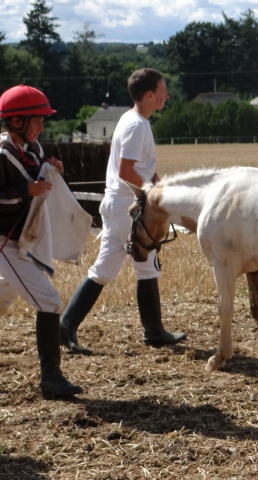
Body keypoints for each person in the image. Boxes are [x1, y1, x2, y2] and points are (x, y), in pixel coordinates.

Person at [60, 68, 186, 355]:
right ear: (149, 95)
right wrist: (149, 197)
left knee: (104, 268)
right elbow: (126, 170)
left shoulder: (135, 121)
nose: (166, 95)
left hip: (118, 204)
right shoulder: (136, 125)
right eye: (163, 91)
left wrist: (159, 183)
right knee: (146, 263)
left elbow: (142, 166)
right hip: (126, 206)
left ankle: (65, 327)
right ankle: (153, 332)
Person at [0, 84, 83, 396]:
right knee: (49, 301)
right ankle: (51, 379)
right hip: (5, 242)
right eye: (38, 120)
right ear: (17, 122)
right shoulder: (2, 155)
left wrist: (53, 169)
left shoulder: (33, 149)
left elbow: (39, 176)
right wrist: (26, 191)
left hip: (23, 239)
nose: (42, 126)